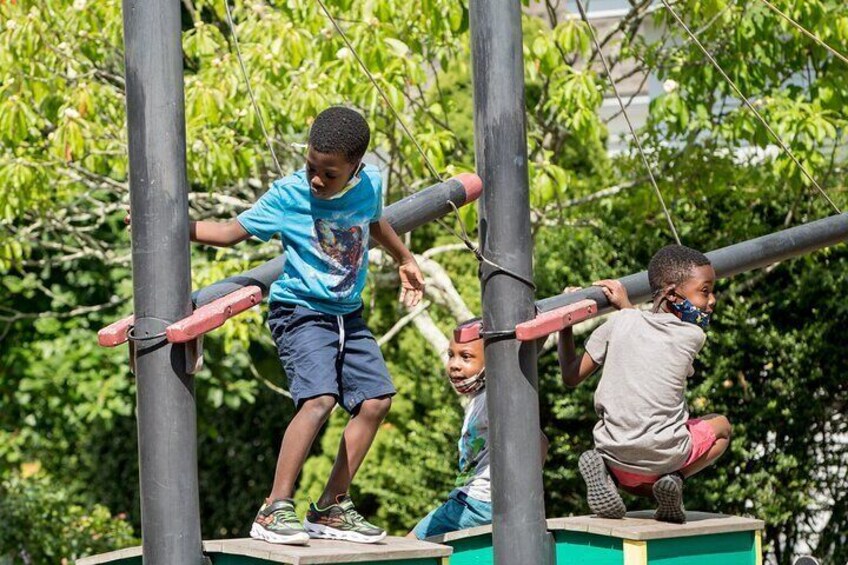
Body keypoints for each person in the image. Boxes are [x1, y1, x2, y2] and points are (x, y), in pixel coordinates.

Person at [128, 106, 425, 544]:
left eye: (329, 173)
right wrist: (169, 224)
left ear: (356, 168)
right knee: (319, 399)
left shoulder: (371, 184)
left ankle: (330, 507)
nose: (317, 180)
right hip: (300, 312)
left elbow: (374, 219)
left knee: (377, 401)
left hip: (348, 313)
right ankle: (274, 508)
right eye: (311, 167)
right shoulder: (289, 196)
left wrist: (404, 258)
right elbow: (230, 232)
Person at [557, 245, 731, 523]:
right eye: (705, 291)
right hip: (663, 460)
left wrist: (564, 325)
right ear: (673, 294)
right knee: (721, 427)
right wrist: (627, 306)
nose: (712, 301)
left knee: (622, 453)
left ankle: (604, 472)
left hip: (614, 455)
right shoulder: (693, 336)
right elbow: (653, 334)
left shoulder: (619, 323)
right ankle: (675, 479)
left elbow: (571, 375)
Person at [410, 336, 548, 539]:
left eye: (466, 357)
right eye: (451, 355)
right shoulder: (477, 399)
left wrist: (524, 495)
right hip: (475, 499)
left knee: (412, 545)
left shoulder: (494, 398)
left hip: (478, 501)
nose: (454, 365)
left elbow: (539, 441)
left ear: (491, 362)